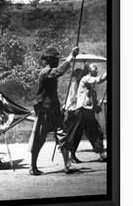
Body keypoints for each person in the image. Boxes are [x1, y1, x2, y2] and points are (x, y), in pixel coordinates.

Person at [29, 46, 79, 176]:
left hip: (55, 111)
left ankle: (67, 165)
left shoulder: (50, 71)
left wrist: (60, 106)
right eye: (56, 59)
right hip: (45, 112)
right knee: (39, 139)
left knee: (63, 136)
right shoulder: (45, 72)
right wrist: (70, 57)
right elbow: (59, 72)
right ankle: (33, 167)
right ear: (50, 59)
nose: (58, 61)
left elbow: (53, 94)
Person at [70, 63, 107, 162]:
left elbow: (92, 98)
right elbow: (99, 79)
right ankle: (72, 155)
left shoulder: (92, 84)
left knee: (97, 131)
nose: (97, 71)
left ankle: (101, 154)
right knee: (77, 133)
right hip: (81, 111)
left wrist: (97, 106)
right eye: (95, 69)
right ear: (90, 71)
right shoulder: (86, 79)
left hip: (89, 112)